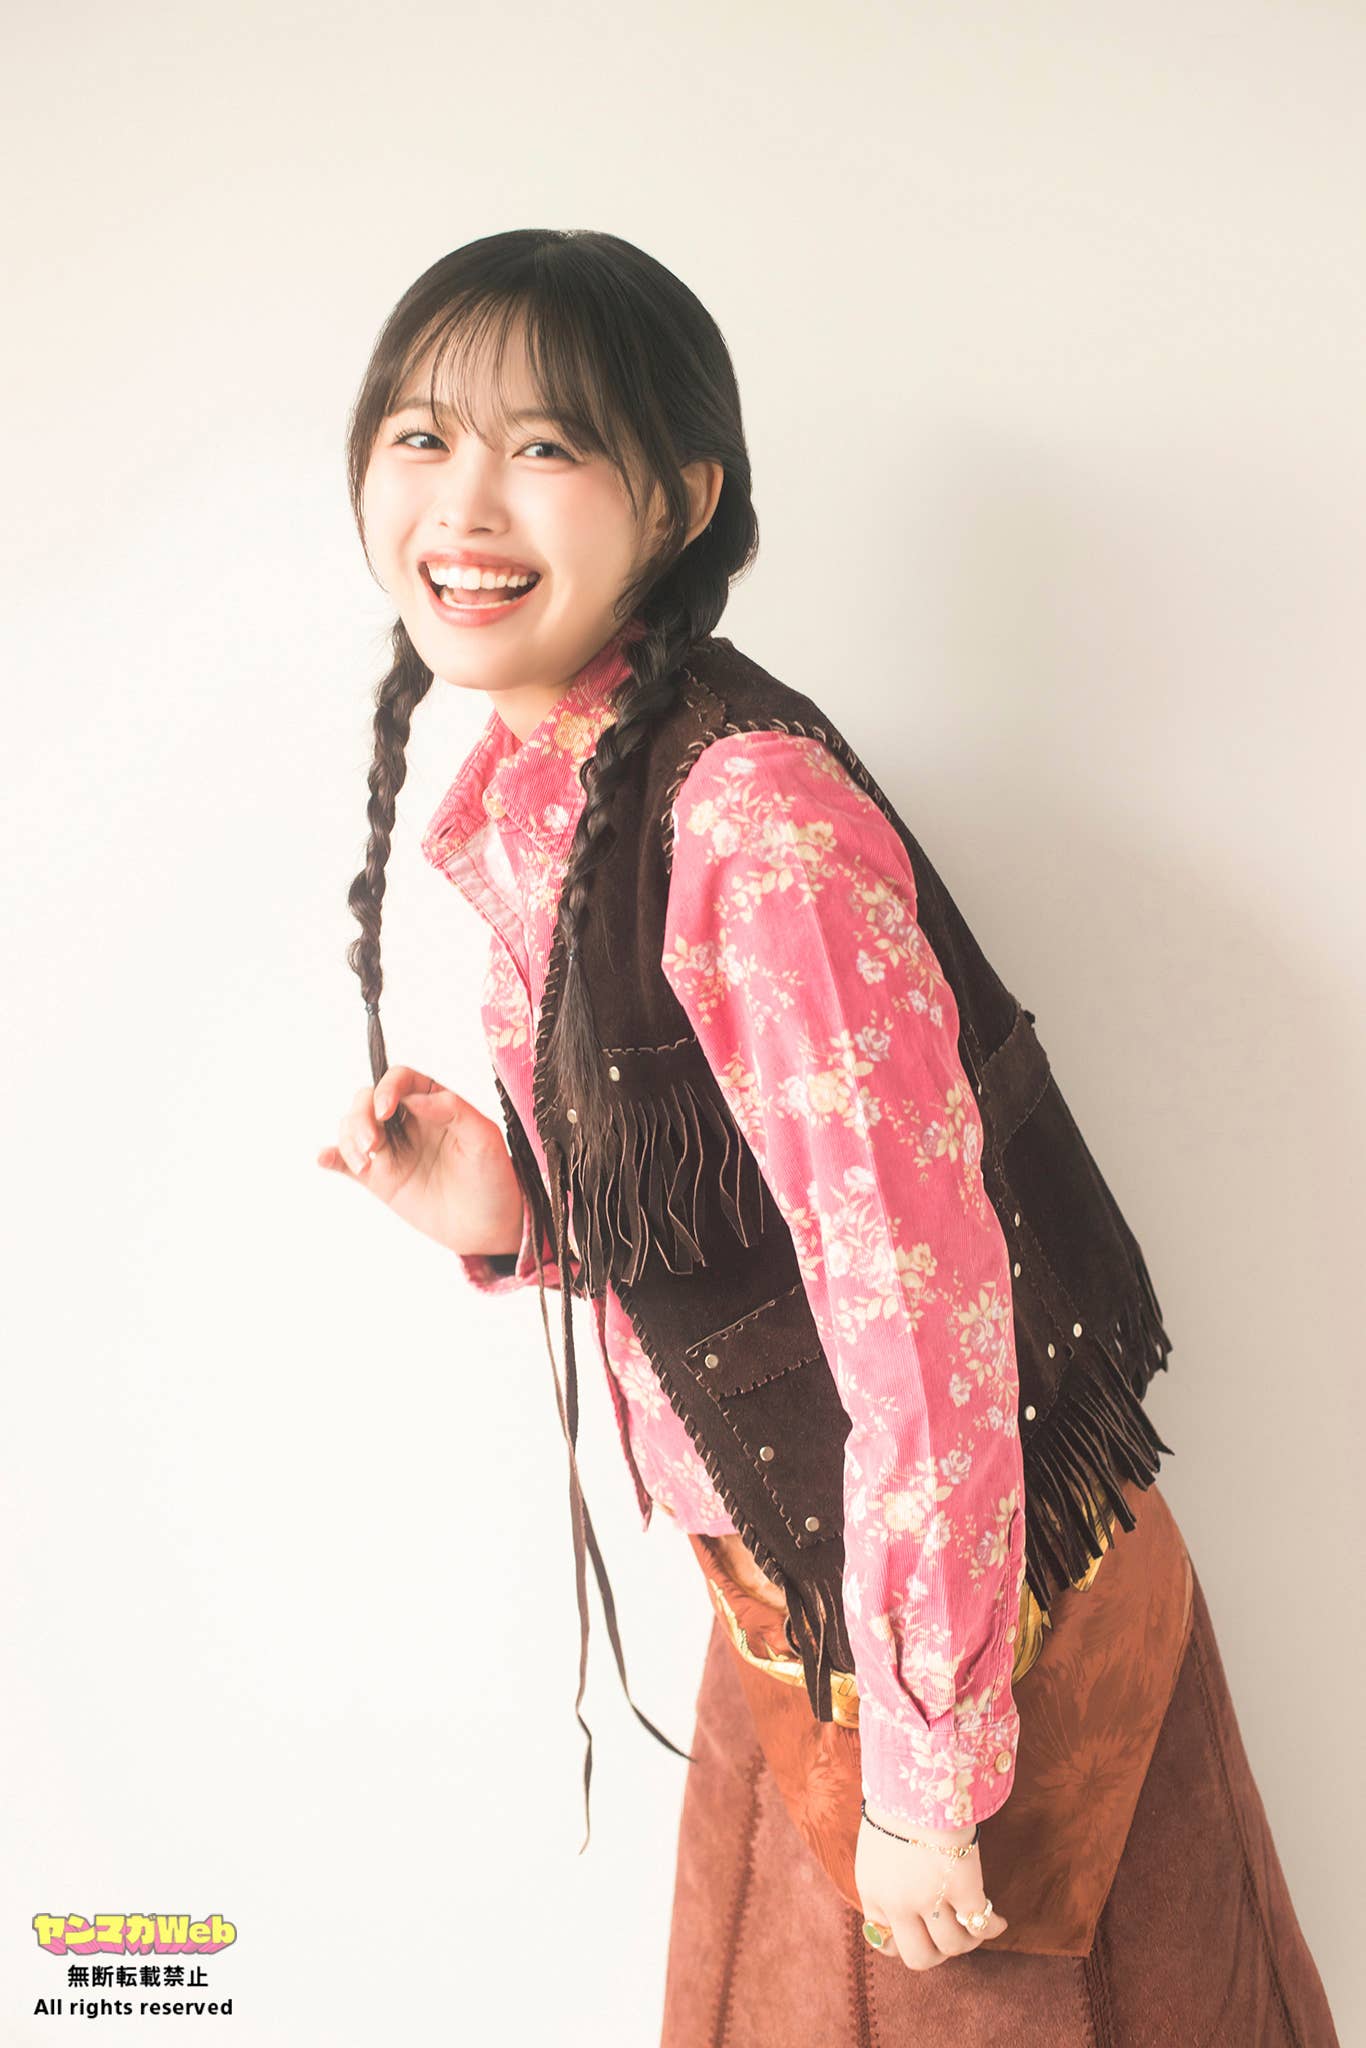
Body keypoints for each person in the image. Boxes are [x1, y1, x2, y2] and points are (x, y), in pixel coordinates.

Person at [317, 228, 1339, 2043]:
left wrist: (930, 1775)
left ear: (679, 499)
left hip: (964, 1660)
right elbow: (754, 1213)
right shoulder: (556, 789)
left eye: (544, 446)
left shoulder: (750, 827)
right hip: (806, 1615)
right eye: (421, 435)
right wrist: (517, 1210)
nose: (464, 503)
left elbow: (921, 1325)